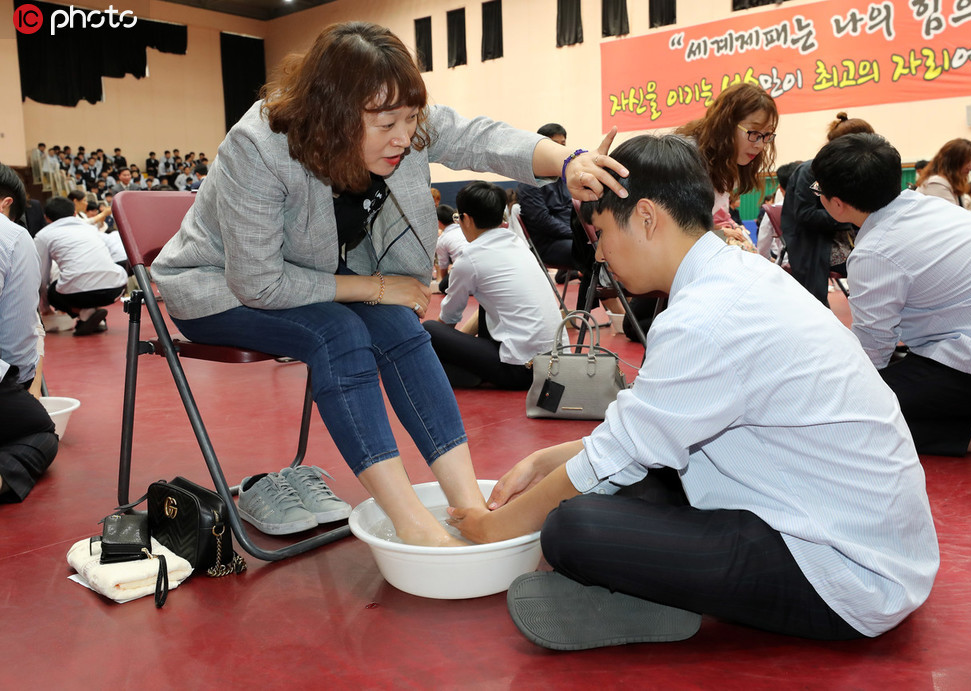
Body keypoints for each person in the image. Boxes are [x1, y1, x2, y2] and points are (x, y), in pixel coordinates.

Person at [448, 134, 938, 650]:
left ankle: (666, 600)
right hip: (852, 531)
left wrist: (492, 530)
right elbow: (642, 432)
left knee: (572, 528)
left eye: (601, 232)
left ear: (645, 217)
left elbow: (616, 455)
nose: (600, 252)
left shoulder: (706, 318)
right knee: (622, 484)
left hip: (844, 575)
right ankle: (655, 593)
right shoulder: (735, 275)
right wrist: (542, 461)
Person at [150, 21, 627, 546]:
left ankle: (469, 506)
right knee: (340, 333)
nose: (404, 137)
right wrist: (375, 287)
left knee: (401, 326)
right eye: (385, 124)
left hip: (312, 281)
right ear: (331, 115)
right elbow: (259, 283)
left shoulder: (399, 120)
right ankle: (411, 522)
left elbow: (477, 137)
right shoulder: (258, 147)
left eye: (410, 119)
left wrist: (566, 161)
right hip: (220, 288)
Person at [811, 133, 971, 456]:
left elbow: (872, 353)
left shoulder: (876, 252)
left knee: (853, 412)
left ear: (837, 203)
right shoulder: (930, 207)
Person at [423, 181, 564, 390]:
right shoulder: (517, 242)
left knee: (429, 330)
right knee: (487, 301)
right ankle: (473, 370)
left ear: (466, 219)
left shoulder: (469, 259)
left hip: (521, 370)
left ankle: (470, 372)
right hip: (556, 363)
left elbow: (448, 320)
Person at [0, 164, 59, 503]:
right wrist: (25, 387)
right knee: (39, 430)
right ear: (7, 204)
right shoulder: (13, 235)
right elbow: (18, 342)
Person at [782, 112, 874, 306]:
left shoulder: (853, 171)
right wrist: (848, 217)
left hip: (846, 237)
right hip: (815, 243)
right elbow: (805, 214)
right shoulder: (811, 172)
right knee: (873, 264)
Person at [675, 82, 776, 251]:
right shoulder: (687, 158)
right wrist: (723, 235)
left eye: (767, 136)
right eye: (753, 133)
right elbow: (679, 236)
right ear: (726, 123)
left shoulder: (726, 165)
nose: (760, 145)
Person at [34, 197, 127, 336]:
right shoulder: (91, 229)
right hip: (115, 290)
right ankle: (95, 317)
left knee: (53, 291)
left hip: (77, 294)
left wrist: (45, 307)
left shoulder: (43, 235)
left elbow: (41, 276)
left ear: (46, 218)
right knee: (91, 277)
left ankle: (84, 314)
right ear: (75, 213)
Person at [516, 123, 575, 269]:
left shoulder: (564, 176)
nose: (560, 149)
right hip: (549, 243)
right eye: (555, 144)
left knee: (607, 245)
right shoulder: (529, 182)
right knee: (592, 251)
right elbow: (543, 221)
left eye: (563, 144)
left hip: (570, 237)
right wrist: (576, 234)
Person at [756, 160, 800, 261]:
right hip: (821, 267)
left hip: (786, 265)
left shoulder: (774, 210)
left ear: (780, 188)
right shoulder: (821, 207)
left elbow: (763, 247)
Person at [916, 138, 971, 209]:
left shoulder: (953, 183)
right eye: (967, 162)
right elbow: (953, 216)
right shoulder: (936, 184)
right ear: (954, 162)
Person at [434, 204, 465, 294]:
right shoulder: (464, 229)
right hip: (480, 265)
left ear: (438, 222)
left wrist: (444, 284)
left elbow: (443, 267)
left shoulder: (442, 239)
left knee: (442, 287)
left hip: (463, 268)